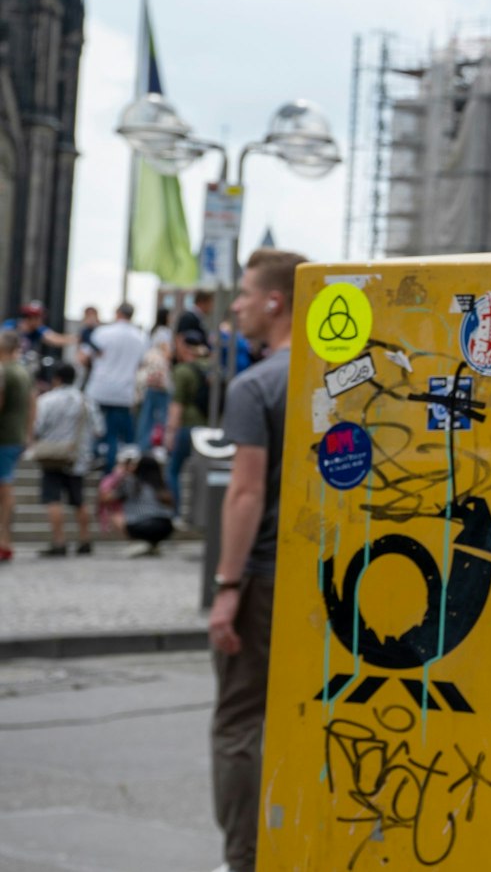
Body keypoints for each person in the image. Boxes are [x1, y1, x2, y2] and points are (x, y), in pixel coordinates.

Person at [208, 247, 304, 872]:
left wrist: (227, 584)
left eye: (244, 294)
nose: (236, 305)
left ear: (275, 302)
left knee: (240, 720)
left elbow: (245, 491)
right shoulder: (344, 375)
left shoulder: (257, 384)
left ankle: (244, 858)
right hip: (324, 577)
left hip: (265, 575)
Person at [30, 362, 97, 556]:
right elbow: (98, 429)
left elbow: (37, 427)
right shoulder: (85, 401)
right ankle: (85, 540)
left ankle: (59, 542)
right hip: (77, 457)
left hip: (52, 454)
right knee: (79, 499)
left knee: (52, 498)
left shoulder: (47, 400)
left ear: (56, 378)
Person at [82, 302, 148, 473]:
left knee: (93, 430)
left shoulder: (102, 333)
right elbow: (141, 364)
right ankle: (109, 474)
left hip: (99, 388)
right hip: (123, 393)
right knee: (114, 436)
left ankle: (91, 460)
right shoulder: (139, 337)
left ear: (117, 313)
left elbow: (83, 357)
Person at [166, 329, 211, 506]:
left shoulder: (182, 370)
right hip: (208, 425)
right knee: (201, 472)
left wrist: (170, 431)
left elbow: (177, 404)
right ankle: (200, 512)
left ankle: (176, 512)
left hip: (187, 425)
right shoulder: (211, 367)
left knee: (173, 470)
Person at [109, 453, 175, 557]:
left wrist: (117, 475)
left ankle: (137, 543)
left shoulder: (130, 482)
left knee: (116, 516)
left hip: (140, 525)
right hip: (166, 526)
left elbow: (109, 497)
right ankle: (152, 545)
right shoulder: (161, 484)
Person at [0, 331, 29, 561]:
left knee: (4, 489)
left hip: (3, 436)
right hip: (16, 436)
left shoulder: (5, 371)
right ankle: (5, 540)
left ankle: (4, 540)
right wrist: (28, 434)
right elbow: (33, 404)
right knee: (6, 488)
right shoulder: (23, 371)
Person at [136, 335, 172, 450]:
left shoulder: (151, 354)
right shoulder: (156, 356)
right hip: (156, 392)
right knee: (153, 423)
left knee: (147, 422)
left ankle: (145, 447)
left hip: (152, 392)